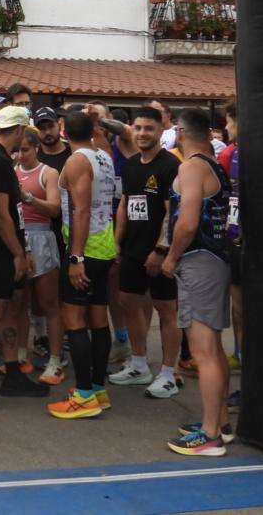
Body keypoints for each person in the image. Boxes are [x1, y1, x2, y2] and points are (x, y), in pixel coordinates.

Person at [163, 108, 234, 456]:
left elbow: (188, 222)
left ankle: (209, 435)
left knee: (204, 351)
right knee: (214, 349)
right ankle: (219, 421)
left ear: (179, 131)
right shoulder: (215, 163)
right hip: (214, 261)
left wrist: (172, 257)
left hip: (198, 262)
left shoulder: (191, 167)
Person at [47, 111, 119, 421]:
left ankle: (85, 394)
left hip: (85, 247)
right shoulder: (103, 154)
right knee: (98, 317)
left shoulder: (77, 161)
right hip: (103, 245)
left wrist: (75, 258)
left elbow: (82, 210)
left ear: (62, 129)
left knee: (74, 318)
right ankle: (98, 389)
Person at [0, 106, 48, 402]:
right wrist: (18, 253)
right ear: (18, 130)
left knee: (7, 311)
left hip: (7, 248)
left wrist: (22, 249)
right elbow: (1, 215)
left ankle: (13, 370)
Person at [111, 106, 184, 398]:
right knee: (128, 302)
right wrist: (117, 241)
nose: (142, 133)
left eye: (148, 129)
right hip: (132, 249)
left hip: (159, 252)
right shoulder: (130, 165)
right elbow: (125, 205)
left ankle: (168, 373)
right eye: (138, 128)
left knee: (166, 310)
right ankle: (139, 364)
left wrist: (161, 250)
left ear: (160, 131)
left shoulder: (170, 166)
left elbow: (173, 212)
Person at [14, 129, 66, 385]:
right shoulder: (12, 172)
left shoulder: (49, 172)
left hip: (42, 236)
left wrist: (29, 198)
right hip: (19, 238)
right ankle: (21, 354)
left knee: (49, 303)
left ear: (35, 148)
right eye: (18, 150)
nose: (21, 155)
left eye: (25, 149)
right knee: (19, 302)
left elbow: (55, 209)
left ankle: (56, 360)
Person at [218, 102, 243, 379]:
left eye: (229, 122)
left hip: (253, 246)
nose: (225, 128)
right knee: (238, 307)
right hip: (234, 240)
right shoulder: (233, 153)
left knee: (247, 308)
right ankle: (239, 353)